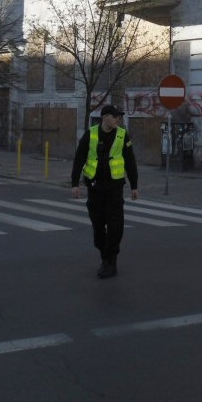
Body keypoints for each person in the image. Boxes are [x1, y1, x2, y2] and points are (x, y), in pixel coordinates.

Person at [71, 104, 139, 279]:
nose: (118, 119)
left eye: (118, 117)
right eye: (115, 116)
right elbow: (79, 157)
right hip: (95, 188)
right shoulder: (91, 134)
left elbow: (130, 161)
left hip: (114, 188)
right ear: (105, 117)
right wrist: (75, 183)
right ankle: (104, 257)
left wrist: (134, 185)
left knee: (116, 226)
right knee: (98, 228)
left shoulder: (123, 135)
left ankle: (111, 261)